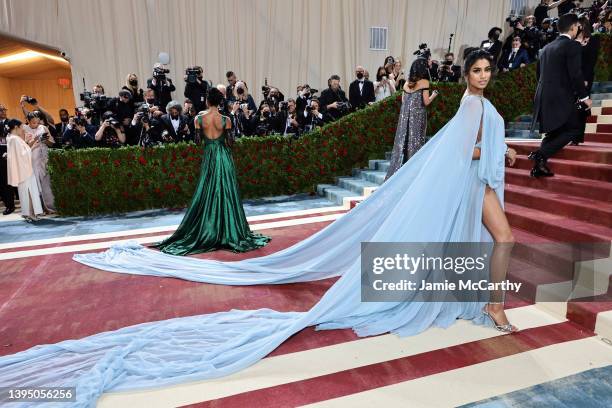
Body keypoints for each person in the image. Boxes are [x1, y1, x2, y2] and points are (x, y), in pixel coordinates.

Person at [2, 50, 518, 404]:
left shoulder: (476, 104)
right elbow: (462, 148)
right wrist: (494, 149)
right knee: (504, 239)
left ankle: (486, 300)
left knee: (495, 240)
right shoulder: (471, 106)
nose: (483, 76)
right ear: (467, 74)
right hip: (474, 182)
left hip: (219, 165)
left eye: (486, 70)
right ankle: (491, 302)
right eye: (477, 69)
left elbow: (467, 148)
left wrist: (502, 149)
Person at [153, 88, 270, 255]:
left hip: (209, 157)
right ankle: (228, 229)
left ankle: (209, 228)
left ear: (207, 101)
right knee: (227, 191)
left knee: (208, 191)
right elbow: (231, 143)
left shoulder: (199, 119)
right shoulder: (226, 119)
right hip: (224, 157)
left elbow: (198, 142)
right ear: (220, 101)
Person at [529, 13, 591, 177]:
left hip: (543, 96)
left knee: (554, 132)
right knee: (574, 128)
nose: (579, 29)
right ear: (572, 28)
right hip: (560, 97)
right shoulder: (573, 46)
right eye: (578, 26)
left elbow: (538, 75)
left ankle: (539, 165)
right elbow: (575, 74)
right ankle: (540, 155)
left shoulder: (546, 48)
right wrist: (585, 97)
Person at [385, 56, 439, 180]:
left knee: (402, 143)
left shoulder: (406, 82)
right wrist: (434, 95)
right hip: (417, 117)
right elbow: (425, 102)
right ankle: (414, 175)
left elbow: (404, 101)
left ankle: (398, 174)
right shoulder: (425, 82)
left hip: (404, 118)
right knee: (415, 143)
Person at [5, 119, 43, 221]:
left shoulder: (11, 138)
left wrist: (31, 144)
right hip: (25, 170)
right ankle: (31, 213)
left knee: (25, 191)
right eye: (21, 127)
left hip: (22, 169)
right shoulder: (15, 139)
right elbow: (23, 154)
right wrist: (32, 146)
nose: (23, 129)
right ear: (16, 127)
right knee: (28, 190)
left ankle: (28, 213)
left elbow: (20, 152)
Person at [573, 14, 600, 145]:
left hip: (585, 77)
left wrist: (585, 79)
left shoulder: (594, 39)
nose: (577, 27)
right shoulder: (573, 41)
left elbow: (591, 62)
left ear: (584, 25)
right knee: (572, 105)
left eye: (579, 25)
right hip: (573, 78)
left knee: (582, 105)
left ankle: (578, 137)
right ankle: (571, 134)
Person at [23, 111, 55, 212]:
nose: (36, 125)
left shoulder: (43, 128)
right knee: (35, 185)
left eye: (37, 122)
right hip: (32, 159)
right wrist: (36, 139)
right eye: (33, 122)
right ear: (28, 121)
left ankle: (50, 207)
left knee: (47, 184)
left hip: (44, 157)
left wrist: (45, 140)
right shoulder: (24, 129)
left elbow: (52, 143)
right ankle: (38, 209)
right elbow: (24, 147)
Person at [0, 104, 16, 215]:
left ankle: (14, 203)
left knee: (10, 181)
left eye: (4, 109)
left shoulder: (11, 123)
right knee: (2, 182)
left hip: (10, 153)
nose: (3, 111)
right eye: (1, 110)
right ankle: (8, 205)